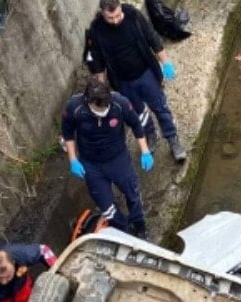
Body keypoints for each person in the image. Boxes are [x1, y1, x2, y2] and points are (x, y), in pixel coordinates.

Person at [84, 0, 188, 163]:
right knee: (139, 113)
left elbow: (152, 38)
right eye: (110, 18)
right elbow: (97, 62)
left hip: (146, 74)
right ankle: (150, 134)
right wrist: (101, 87)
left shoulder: (133, 16)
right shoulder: (97, 30)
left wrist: (165, 62)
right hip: (123, 82)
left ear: (120, 8)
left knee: (160, 107)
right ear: (102, 13)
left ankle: (172, 138)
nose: (116, 20)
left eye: (118, 15)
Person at [62, 78, 154, 238]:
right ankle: (123, 229)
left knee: (132, 193)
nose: (103, 110)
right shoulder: (74, 107)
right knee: (106, 206)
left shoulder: (120, 103)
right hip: (91, 164)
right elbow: (67, 133)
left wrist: (145, 150)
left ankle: (139, 225)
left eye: (106, 106)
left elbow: (136, 125)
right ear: (88, 101)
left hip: (118, 159)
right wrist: (73, 159)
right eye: (99, 108)